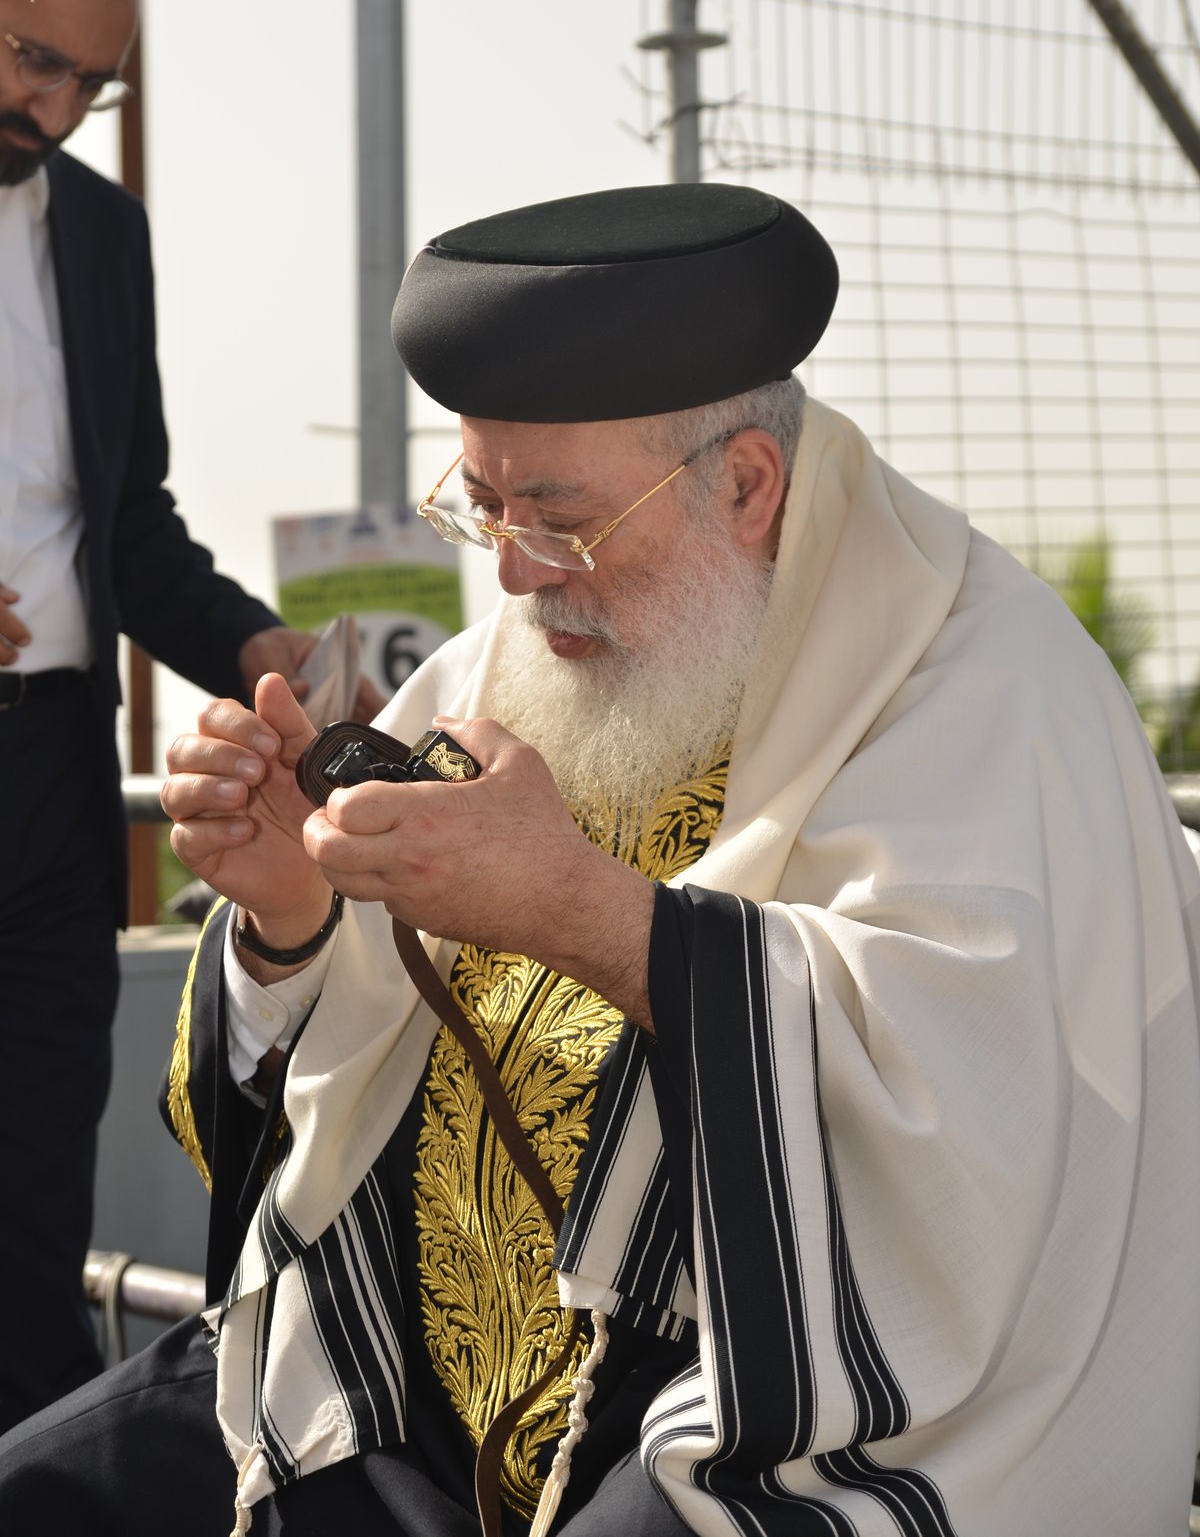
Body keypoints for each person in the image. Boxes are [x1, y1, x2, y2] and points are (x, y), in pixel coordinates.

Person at [1, 181, 1198, 1537]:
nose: (511, 577)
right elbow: (305, 1117)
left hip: (753, 1410)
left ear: (747, 483)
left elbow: (972, 1136)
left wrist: (587, 913)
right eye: (484, 505)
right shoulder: (499, 669)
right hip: (407, 1393)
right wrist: (291, 914)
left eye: (559, 520)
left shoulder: (994, 696)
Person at [0, 0, 326, 1431]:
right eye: (27, 56)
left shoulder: (108, 235)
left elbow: (131, 529)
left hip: (55, 795)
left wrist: (270, 647)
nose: (54, 105)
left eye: (91, 82)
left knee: (31, 1212)